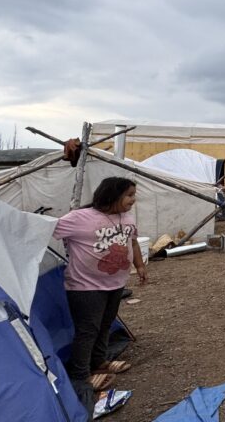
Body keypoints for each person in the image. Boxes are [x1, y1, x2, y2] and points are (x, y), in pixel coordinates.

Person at [53, 177, 148, 417]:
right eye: (128, 195)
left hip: (115, 283)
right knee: (88, 329)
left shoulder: (126, 218)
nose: (133, 200)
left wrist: (139, 266)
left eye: (133, 194)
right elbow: (45, 232)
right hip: (85, 287)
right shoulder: (78, 218)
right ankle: (81, 375)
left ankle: (100, 362)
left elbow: (132, 242)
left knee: (105, 324)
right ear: (111, 195)